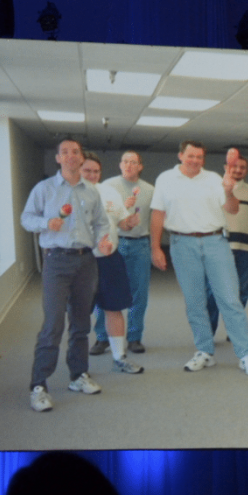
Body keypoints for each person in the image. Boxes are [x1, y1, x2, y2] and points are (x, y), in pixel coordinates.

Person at [150, 141, 248, 375]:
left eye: (200, 157)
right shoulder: (165, 179)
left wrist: (229, 191)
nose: (195, 161)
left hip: (216, 243)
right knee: (195, 302)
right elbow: (158, 214)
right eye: (191, 156)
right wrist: (155, 248)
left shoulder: (214, 179)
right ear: (181, 155)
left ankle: (246, 354)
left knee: (230, 299)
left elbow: (232, 209)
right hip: (181, 244)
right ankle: (204, 351)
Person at [20, 139, 114, 411]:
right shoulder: (45, 189)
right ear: (58, 159)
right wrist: (45, 223)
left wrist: (103, 242)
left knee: (81, 323)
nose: (71, 156)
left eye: (76, 152)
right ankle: (38, 385)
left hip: (86, 262)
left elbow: (101, 224)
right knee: (52, 325)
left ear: (82, 158)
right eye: (65, 152)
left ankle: (78, 375)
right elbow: (26, 218)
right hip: (56, 262)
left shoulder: (92, 192)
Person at [82, 153, 144, 374]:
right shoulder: (69, 194)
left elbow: (121, 224)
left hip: (110, 260)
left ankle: (120, 357)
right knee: (80, 312)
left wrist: (130, 221)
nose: (91, 175)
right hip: (82, 261)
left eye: (95, 171)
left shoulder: (109, 193)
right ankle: (78, 366)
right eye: (87, 170)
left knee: (114, 308)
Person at [94, 151, 154, 355]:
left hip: (140, 245)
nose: (129, 165)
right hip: (113, 245)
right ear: (120, 165)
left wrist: (156, 247)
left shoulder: (149, 190)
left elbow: (155, 220)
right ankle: (102, 337)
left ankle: (135, 337)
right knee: (105, 292)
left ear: (140, 166)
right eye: (125, 161)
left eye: (133, 162)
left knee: (139, 293)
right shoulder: (107, 187)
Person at [206, 156, 248, 336]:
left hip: (246, 250)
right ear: (226, 167)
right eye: (234, 166)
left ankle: (235, 331)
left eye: (242, 167)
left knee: (242, 291)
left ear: (246, 170)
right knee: (213, 290)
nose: (238, 170)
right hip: (219, 247)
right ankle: (208, 332)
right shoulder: (213, 188)